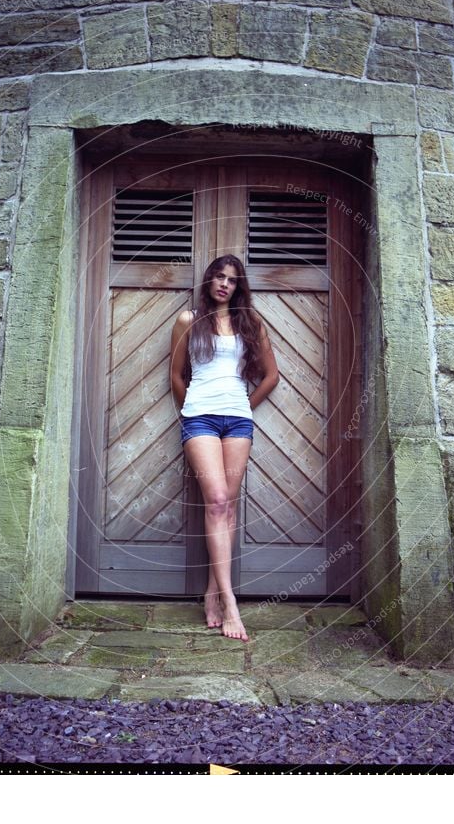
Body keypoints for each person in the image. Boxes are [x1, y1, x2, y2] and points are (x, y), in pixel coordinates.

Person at [169, 254, 280, 641]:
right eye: (218, 277)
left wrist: (244, 408)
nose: (224, 284)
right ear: (208, 281)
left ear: (238, 287)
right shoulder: (188, 321)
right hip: (200, 418)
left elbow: (271, 376)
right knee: (216, 500)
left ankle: (212, 593)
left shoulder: (251, 323)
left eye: (232, 280)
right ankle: (230, 602)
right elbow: (176, 374)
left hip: (238, 422)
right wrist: (190, 411)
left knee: (227, 506)